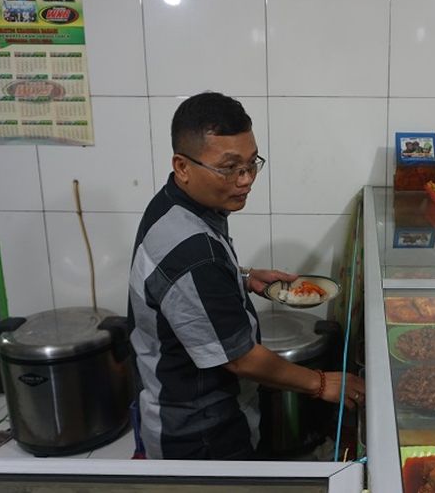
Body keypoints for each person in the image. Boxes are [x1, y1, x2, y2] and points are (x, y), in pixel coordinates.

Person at [127, 91, 365, 460]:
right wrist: (320, 383)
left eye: (252, 163)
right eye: (229, 167)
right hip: (199, 434)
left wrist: (243, 278)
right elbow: (239, 358)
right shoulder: (193, 254)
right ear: (182, 166)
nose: (246, 179)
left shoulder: (171, 205)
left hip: (179, 409)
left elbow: (179, 286)